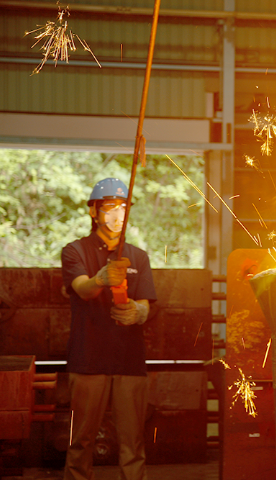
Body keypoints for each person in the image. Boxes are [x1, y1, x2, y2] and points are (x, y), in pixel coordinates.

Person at [61, 177, 157, 480]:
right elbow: (82, 289)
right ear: (94, 211)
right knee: (81, 441)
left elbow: (146, 303)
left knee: (133, 443)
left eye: (123, 208)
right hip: (88, 360)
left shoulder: (138, 256)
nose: (117, 215)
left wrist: (138, 312)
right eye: (110, 207)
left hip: (129, 361)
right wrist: (101, 279)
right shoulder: (75, 251)